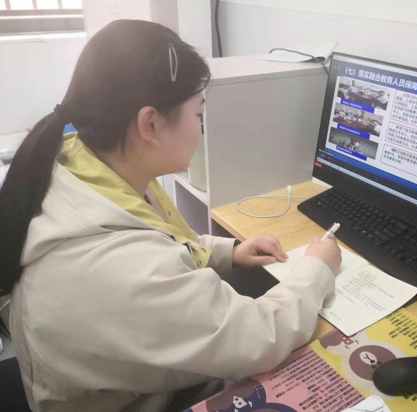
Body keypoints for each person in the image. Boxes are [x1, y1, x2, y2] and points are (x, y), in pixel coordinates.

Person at [0, 20, 342, 412]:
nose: (201, 132)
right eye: (199, 116)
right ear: (150, 124)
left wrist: (227, 251)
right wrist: (317, 269)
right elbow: (259, 338)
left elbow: (162, 240)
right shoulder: (114, 265)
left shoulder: (85, 164)